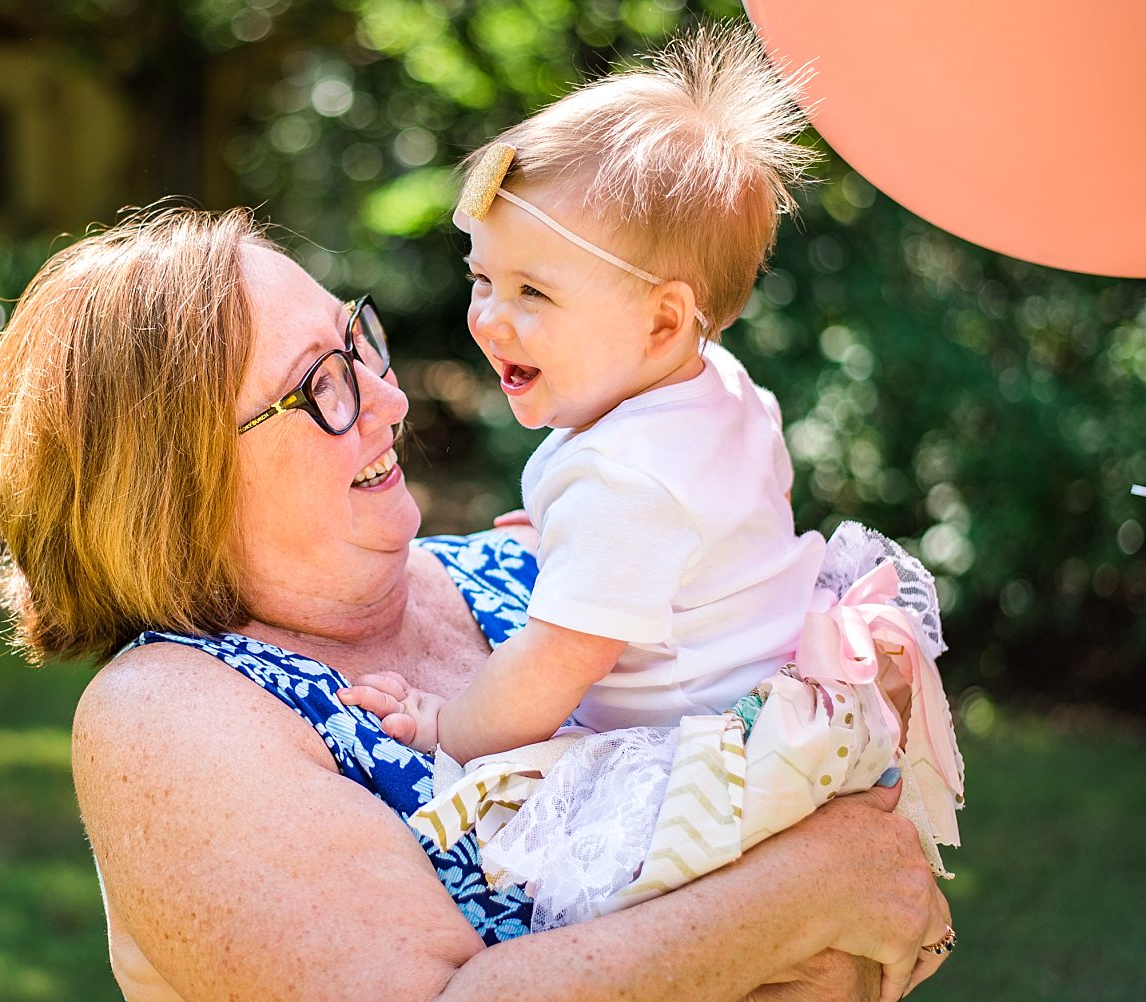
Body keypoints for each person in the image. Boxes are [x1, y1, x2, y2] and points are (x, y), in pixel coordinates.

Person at [0, 203, 954, 1002]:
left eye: (361, 344)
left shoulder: (526, 576)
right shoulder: (171, 718)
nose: (390, 402)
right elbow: (848, 895)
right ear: (170, 486)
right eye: (322, 388)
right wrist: (808, 895)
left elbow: (873, 897)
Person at [336, 26, 963, 931]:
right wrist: (569, 537)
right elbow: (718, 525)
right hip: (782, 699)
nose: (487, 319)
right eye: (481, 277)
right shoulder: (719, 387)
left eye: (532, 295)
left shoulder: (624, 482)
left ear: (664, 323)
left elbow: (551, 670)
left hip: (695, 757)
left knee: (566, 905)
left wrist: (445, 725)